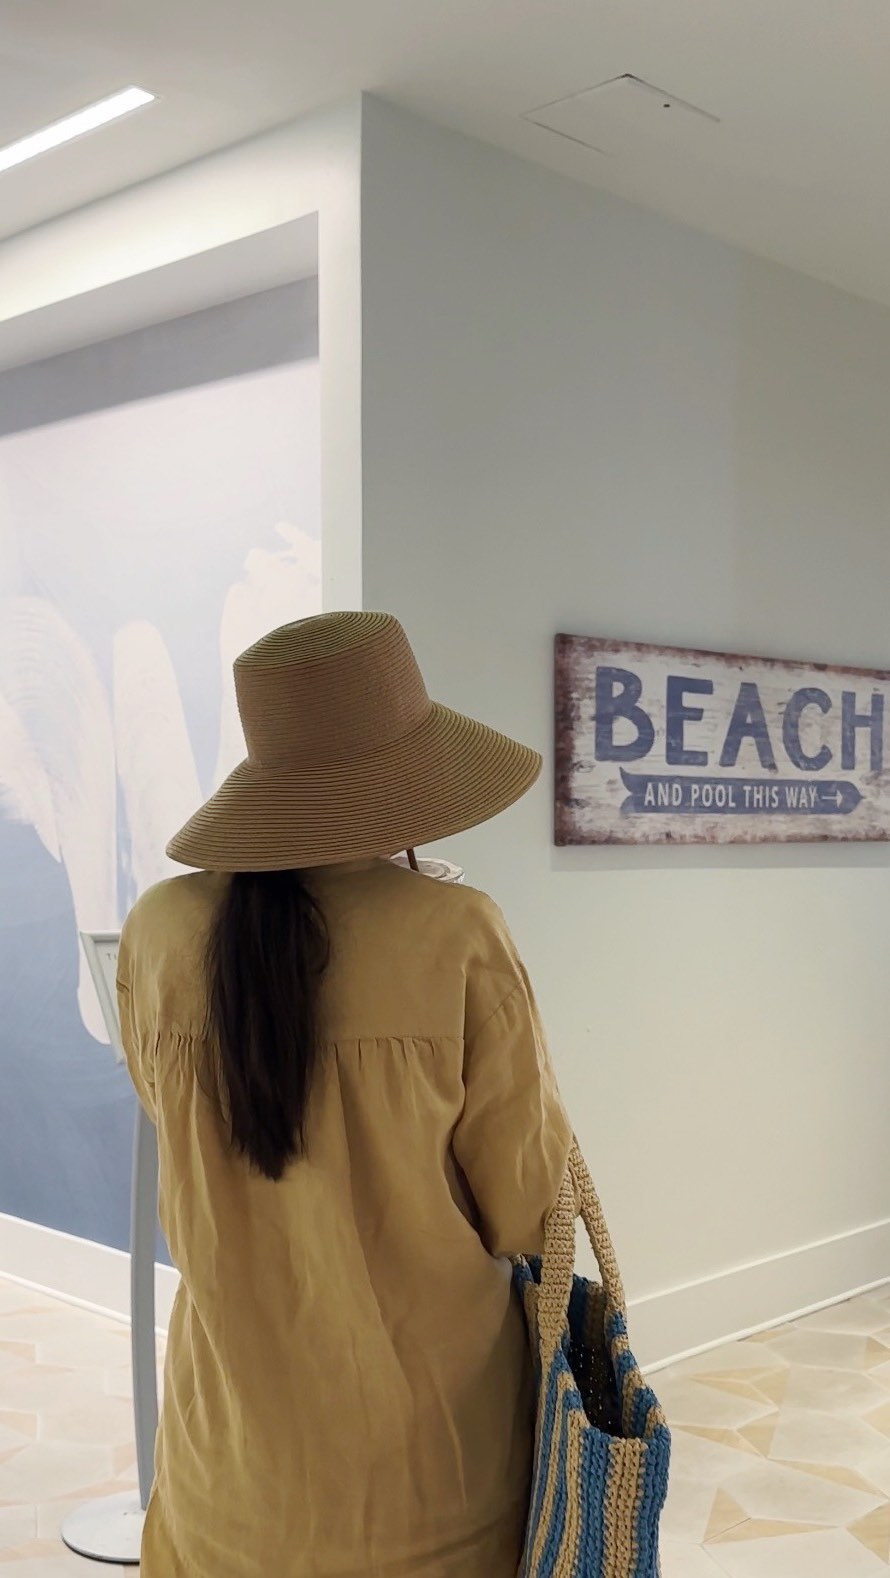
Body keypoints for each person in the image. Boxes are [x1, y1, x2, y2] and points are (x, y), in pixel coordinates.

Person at [117, 610, 573, 1578]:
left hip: (224, 1471)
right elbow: (526, 1207)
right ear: (403, 779)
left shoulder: (156, 929)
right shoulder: (457, 932)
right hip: (434, 1475)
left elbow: (171, 1118)